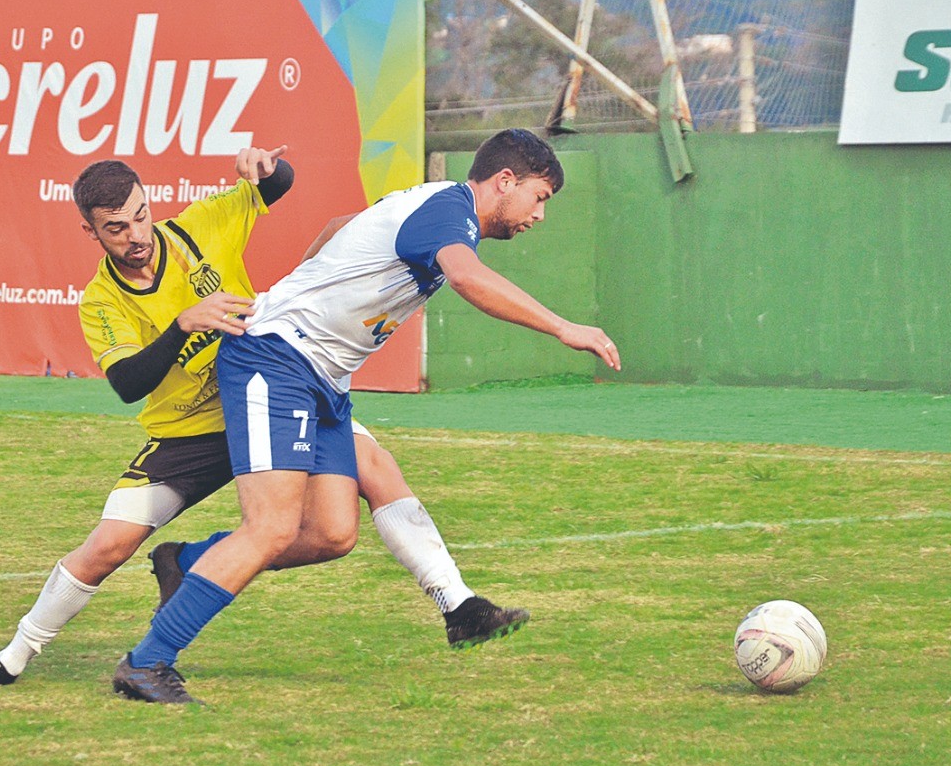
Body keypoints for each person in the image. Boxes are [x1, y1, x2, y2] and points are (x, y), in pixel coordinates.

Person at [0, 149, 528, 689]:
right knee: (108, 546)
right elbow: (127, 384)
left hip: (273, 391)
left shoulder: (199, 226)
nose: (135, 236)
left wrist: (267, 165)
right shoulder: (101, 299)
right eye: (115, 228)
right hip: (192, 435)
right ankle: (13, 658)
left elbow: (278, 183)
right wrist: (182, 324)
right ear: (90, 231)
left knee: (338, 524)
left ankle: (457, 604)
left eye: (140, 217)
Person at [110, 128, 620, 704]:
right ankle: (146, 662)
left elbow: (336, 229)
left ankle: (188, 561)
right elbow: (468, 277)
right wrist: (564, 327)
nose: (539, 214)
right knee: (272, 527)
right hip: (275, 360)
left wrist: (304, 283)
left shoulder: (434, 205)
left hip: (321, 376)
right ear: (505, 181)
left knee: (331, 532)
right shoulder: (451, 212)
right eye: (540, 196)